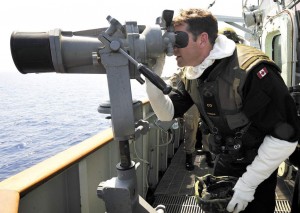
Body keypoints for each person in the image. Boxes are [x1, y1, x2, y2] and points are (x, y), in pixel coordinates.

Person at [146, 8, 300, 213]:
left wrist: (247, 185)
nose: (173, 48)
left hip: (259, 164)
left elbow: (285, 137)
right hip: (224, 161)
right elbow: (167, 113)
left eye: (178, 40)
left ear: (202, 39)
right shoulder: (192, 72)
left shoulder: (252, 71)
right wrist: (152, 75)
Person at [169, 68, 213, 171]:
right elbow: (174, 80)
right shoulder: (185, 68)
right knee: (191, 129)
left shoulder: (206, 64)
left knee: (208, 128)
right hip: (190, 103)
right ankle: (189, 155)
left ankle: (207, 152)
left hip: (206, 101)